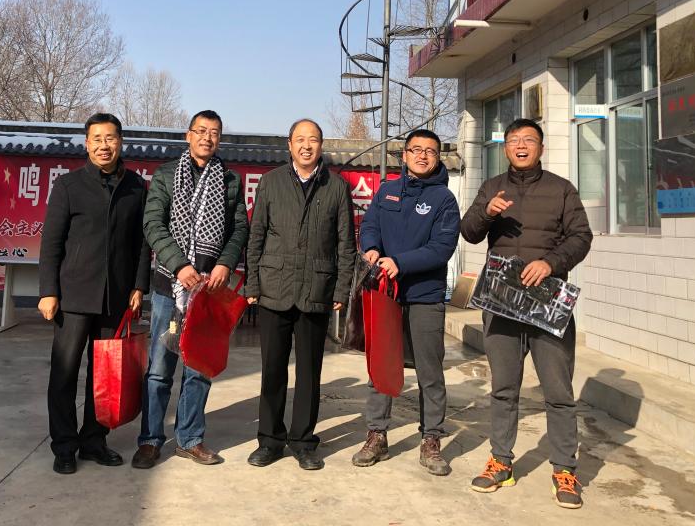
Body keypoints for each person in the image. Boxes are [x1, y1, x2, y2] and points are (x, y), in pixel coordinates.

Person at [460, 118, 592, 509]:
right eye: (514, 140)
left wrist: (551, 263)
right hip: (502, 303)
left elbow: (581, 236)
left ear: (540, 148)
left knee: (558, 391)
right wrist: (487, 212)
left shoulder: (561, 189)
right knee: (503, 388)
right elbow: (469, 232)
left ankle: (564, 469)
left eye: (528, 140)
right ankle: (501, 461)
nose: (521, 146)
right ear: (505, 148)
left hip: (547, 302)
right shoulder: (491, 188)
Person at [132, 110, 249, 468]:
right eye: (201, 131)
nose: (207, 138)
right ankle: (151, 440)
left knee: (199, 366)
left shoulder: (229, 180)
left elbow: (239, 228)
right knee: (159, 368)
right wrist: (180, 266)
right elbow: (153, 224)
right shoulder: (166, 174)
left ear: (219, 138)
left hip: (208, 290)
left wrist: (225, 264)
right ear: (188, 135)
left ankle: (189, 438)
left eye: (214, 132)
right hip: (169, 287)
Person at [38, 112, 150, 475]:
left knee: (105, 376)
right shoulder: (69, 186)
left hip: (115, 297)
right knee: (65, 373)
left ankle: (93, 441)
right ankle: (64, 446)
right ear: (87, 144)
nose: (104, 145)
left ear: (121, 142)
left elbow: (142, 243)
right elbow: (51, 243)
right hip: (73, 296)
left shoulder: (135, 187)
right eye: (97, 139)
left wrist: (138, 286)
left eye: (110, 138)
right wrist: (48, 291)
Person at [244, 119, 355, 470]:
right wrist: (251, 284)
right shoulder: (271, 182)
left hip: (316, 290)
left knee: (309, 373)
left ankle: (304, 442)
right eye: (300, 139)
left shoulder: (336, 187)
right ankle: (270, 441)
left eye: (313, 140)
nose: (307, 146)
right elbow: (256, 236)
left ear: (321, 145)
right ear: (289, 145)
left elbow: (346, 244)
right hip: (274, 288)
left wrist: (341, 288)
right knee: (273, 371)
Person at [350, 129, 460, 476]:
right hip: (386, 294)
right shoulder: (387, 191)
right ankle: (377, 434)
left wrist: (401, 262)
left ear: (438, 158)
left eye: (430, 151)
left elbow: (442, 248)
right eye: (416, 149)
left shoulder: (444, 199)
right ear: (405, 155)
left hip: (425, 296)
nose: (423, 155)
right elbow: (370, 226)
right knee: (381, 366)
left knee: (430, 372)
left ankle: (431, 438)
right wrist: (371, 248)